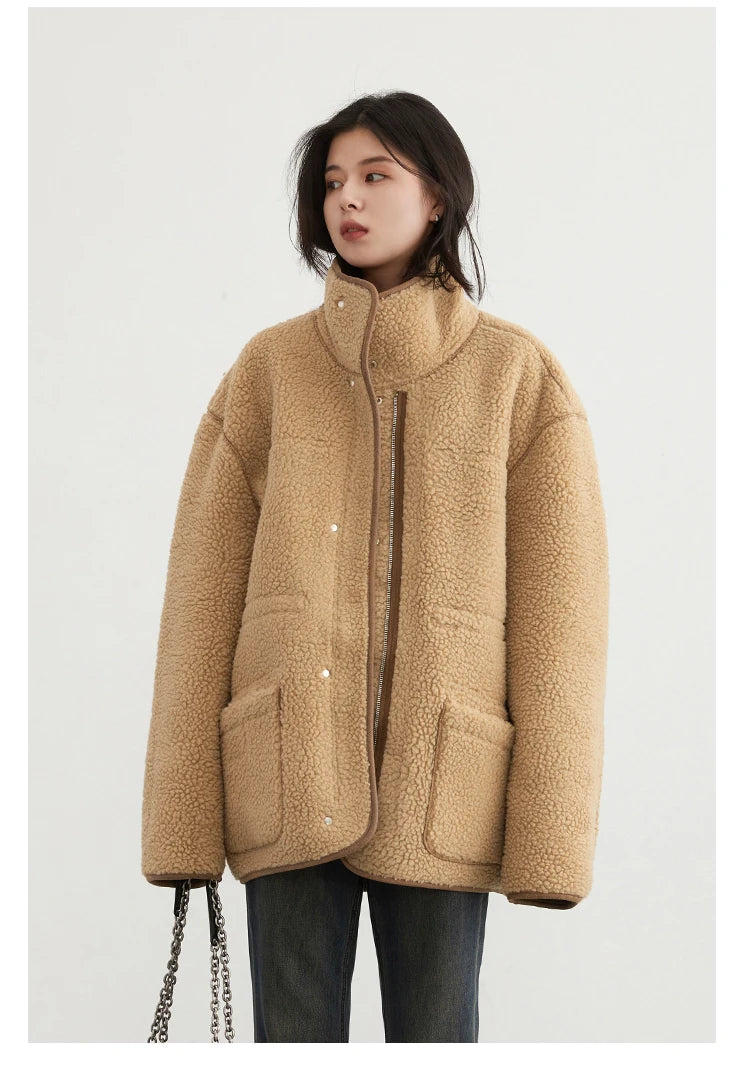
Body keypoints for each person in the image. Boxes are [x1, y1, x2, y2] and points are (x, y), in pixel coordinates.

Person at [141, 91, 610, 1043]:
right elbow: (199, 606)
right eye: (331, 182)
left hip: (447, 787)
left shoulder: (518, 378)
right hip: (286, 778)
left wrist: (550, 835)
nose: (346, 200)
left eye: (375, 176)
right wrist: (180, 822)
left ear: (437, 196)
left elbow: (564, 625)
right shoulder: (268, 371)